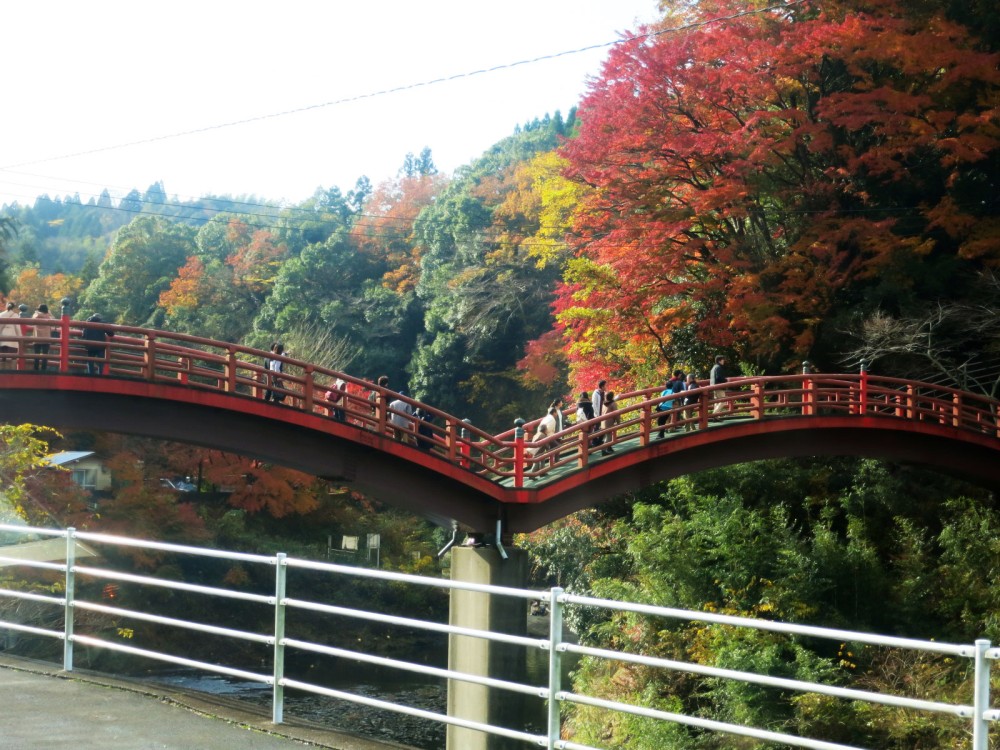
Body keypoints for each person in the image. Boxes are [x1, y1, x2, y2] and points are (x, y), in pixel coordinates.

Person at [656, 370, 686, 437]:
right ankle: (671, 427)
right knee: (673, 413)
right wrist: (683, 400)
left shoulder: (670, 380)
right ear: (679, 375)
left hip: (664, 404)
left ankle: (666, 428)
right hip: (675, 399)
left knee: (666, 416)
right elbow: (682, 391)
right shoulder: (679, 382)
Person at [31, 303, 55, 371]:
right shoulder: (48, 316)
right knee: (45, 355)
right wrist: (49, 313)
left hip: (37, 338)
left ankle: (36, 368)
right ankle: (44, 369)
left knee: (36, 355)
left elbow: (32, 319)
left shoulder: (36, 315)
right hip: (46, 338)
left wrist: (36, 312)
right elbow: (54, 320)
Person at [0, 302, 19, 370]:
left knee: (2, 358)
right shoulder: (15, 315)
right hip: (12, 340)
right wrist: (21, 338)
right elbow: (17, 328)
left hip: (2, 339)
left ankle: (2, 373)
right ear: (13, 307)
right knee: (12, 358)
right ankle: (11, 373)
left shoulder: (1, 315)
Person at [601, 390, 619, 455]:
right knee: (609, 436)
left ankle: (608, 448)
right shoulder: (613, 404)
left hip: (603, 422)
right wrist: (618, 422)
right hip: (609, 422)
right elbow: (617, 414)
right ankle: (604, 449)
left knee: (607, 436)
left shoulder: (604, 403)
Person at [591, 380, 608, 449]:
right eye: (605, 385)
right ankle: (595, 442)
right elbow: (594, 405)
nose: (606, 387)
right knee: (596, 428)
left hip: (602, 413)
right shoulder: (596, 393)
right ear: (602, 386)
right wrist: (597, 415)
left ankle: (599, 440)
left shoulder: (604, 393)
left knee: (603, 427)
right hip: (597, 414)